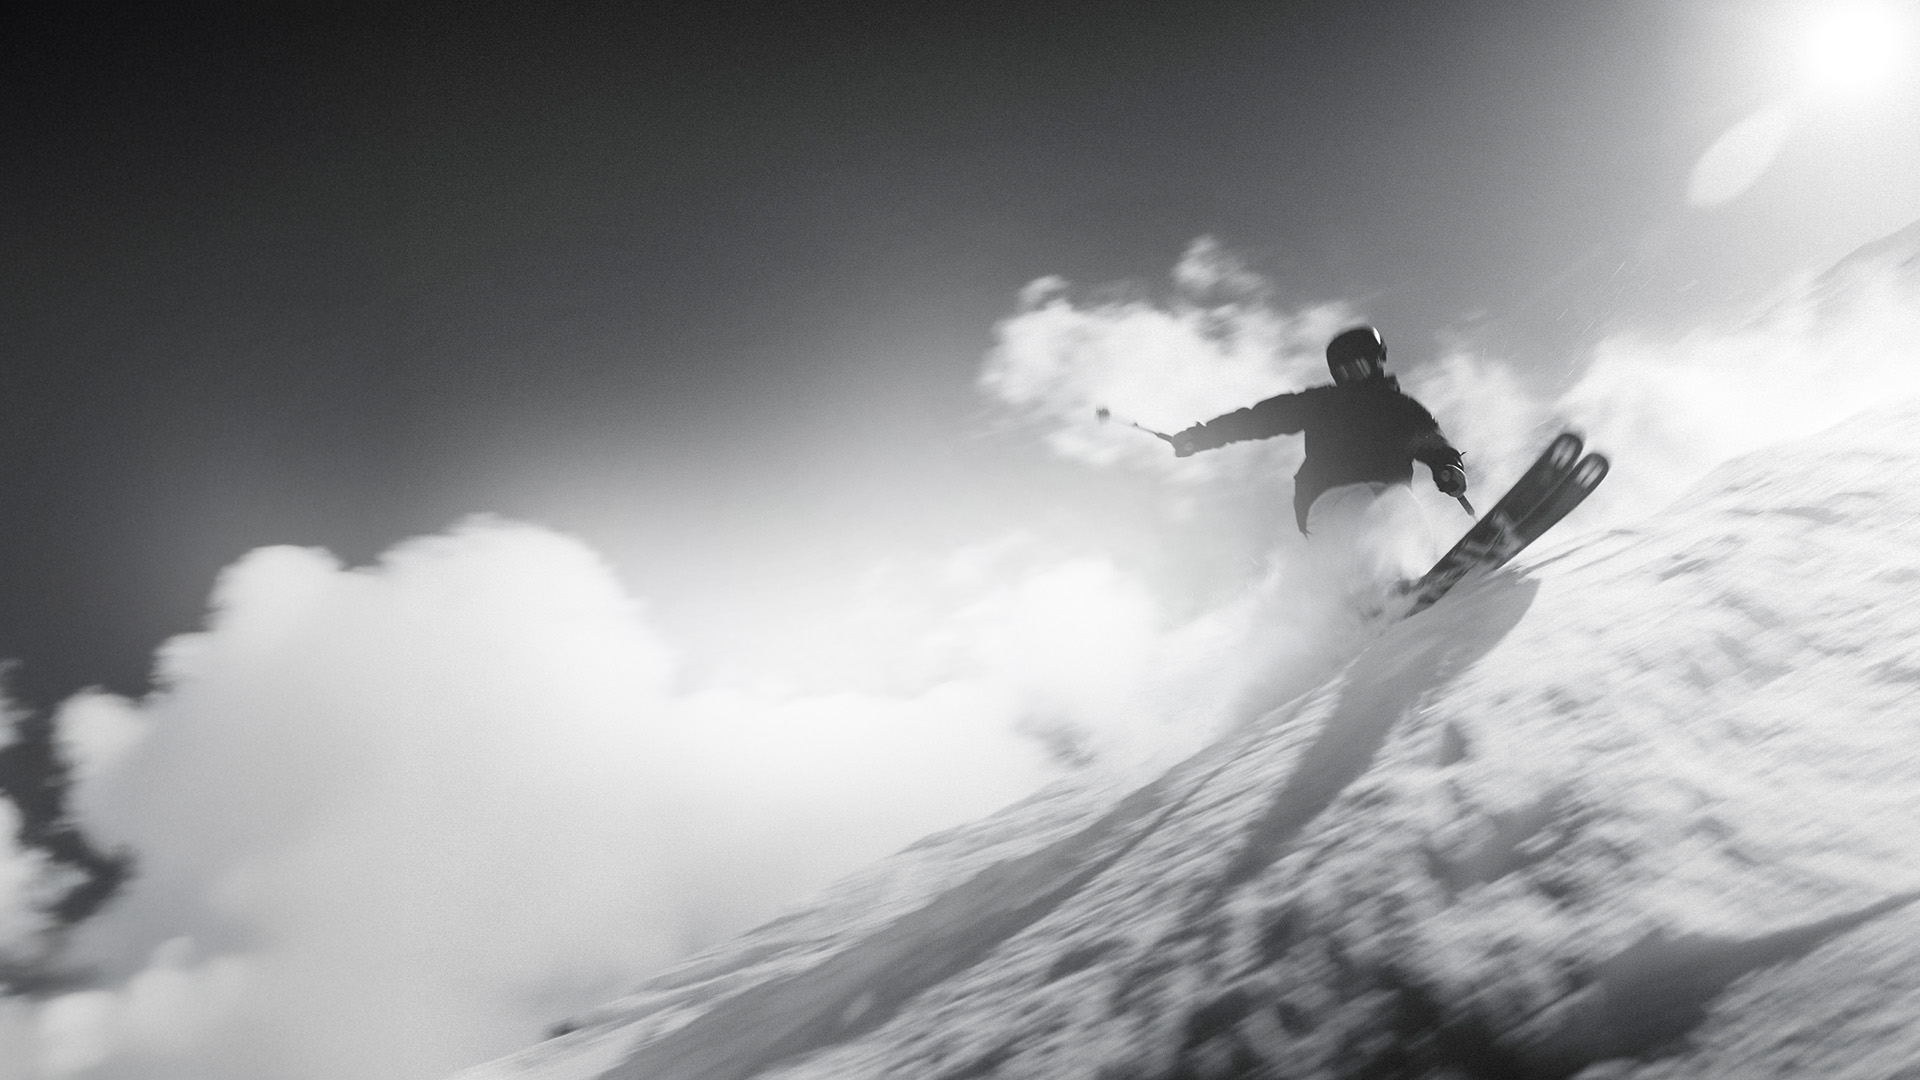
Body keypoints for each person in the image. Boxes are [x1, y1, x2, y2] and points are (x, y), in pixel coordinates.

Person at [1166, 325, 1468, 536]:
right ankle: (1376, 589)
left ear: (1377, 362)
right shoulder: (1322, 402)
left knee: (1401, 510)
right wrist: (1202, 435)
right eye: (1342, 372)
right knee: (1373, 503)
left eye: (1358, 368)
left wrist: (1449, 468)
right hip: (1326, 500)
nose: (1350, 377)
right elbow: (1258, 419)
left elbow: (1434, 444)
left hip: (1384, 503)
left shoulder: (1402, 409)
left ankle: (1404, 588)